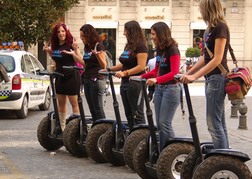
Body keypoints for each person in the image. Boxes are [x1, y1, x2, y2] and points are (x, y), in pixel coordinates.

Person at [180, 0, 230, 149]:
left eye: (201, 8)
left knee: (213, 123)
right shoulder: (209, 29)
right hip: (211, 79)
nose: (200, 11)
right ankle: (225, 156)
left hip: (217, 79)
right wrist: (188, 73)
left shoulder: (221, 27)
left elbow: (217, 59)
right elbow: (205, 57)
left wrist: (195, 77)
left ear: (208, 9)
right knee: (219, 122)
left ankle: (221, 159)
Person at [140, 22, 181, 151]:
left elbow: (174, 73)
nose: (151, 37)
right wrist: (140, 76)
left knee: (165, 123)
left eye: (153, 34)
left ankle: (172, 151)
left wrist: (156, 80)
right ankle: (163, 151)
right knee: (159, 124)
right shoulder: (160, 50)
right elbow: (156, 70)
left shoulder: (173, 49)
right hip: (160, 89)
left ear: (161, 34)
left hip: (171, 89)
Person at [107, 20, 147, 131]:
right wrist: (109, 69)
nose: (124, 33)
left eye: (125, 30)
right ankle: (132, 137)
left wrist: (125, 73)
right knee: (128, 113)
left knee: (137, 114)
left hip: (135, 83)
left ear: (131, 31)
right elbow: (124, 64)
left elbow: (141, 66)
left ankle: (140, 137)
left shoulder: (141, 46)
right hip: (125, 82)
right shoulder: (129, 46)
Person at [43, 23, 80, 131]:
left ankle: (75, 128)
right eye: (58, 31)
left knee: (74, 103)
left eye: (63, 31)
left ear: (66, 32)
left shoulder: (70, 44)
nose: (61, 33)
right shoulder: (55, 45)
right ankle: (62, 128)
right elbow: (56, 58)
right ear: (56, 33)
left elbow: (78, 58)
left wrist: (76, 49)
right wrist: (49, 51)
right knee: (61, 103)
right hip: (59, 76)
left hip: (71, 76)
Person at [68, 24, 107, 121]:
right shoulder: (87, 47)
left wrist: (97, 55)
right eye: (81, 36)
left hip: (96, 79)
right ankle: (95, 130)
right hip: (87, 78)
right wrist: (74, 53)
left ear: (89, 35)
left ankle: (102, 129)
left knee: (98, 108)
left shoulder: (98, 46)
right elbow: (85, 64)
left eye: (83, 36)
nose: (81, 38)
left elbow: (104, 66)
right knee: (92, 109)